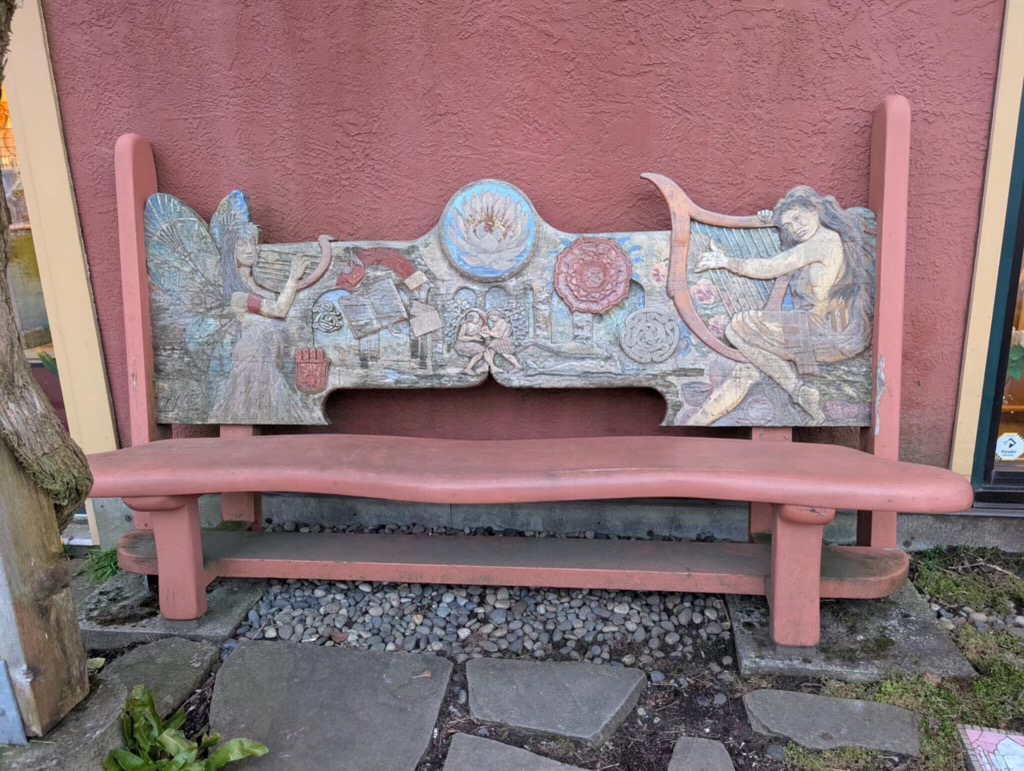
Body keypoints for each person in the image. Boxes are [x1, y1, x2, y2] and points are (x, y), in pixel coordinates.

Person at [690, 186, 872, 425]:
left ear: (815, 209)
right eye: (789, 226)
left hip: (827, 333)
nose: (796, 228)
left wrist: (725, 261)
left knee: (738, 326)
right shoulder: (822, 238)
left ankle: (799, 391)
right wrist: (772, 222)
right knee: (740, 334)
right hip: (830, 329)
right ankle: (801, 393)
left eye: (798, 218)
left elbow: (771, 267)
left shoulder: (822, 241)